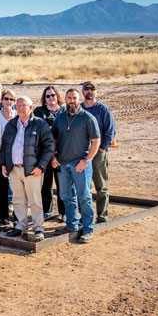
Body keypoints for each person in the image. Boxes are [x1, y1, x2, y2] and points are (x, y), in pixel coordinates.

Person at [1, 96, 54, 242]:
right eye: (18, 106)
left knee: (35, 200)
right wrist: (4, 164)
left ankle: (38, 228)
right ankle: (20, 225)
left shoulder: (39, 124)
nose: (20, 108)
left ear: (31, 107)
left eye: (24, 105)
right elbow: (5, 146)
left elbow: (49, 146)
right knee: (18, 199)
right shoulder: (11, 124)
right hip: (14, 169)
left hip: (32, 170)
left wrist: (41, 167)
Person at [51, 89, 101, 244]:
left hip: (81, 165)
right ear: (65, 99)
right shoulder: (60, 118)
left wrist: (87, 160)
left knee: (84, 197)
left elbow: (96, 141)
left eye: (74, 98)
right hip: (63, 164)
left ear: (79, 99)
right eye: (69, 98)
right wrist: (53, 157)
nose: (72, 101)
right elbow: (53, 140)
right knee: (66, 196)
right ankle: (71, 225)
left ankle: (87, 229)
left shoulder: (87, 118)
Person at [81, 80, 116, 223]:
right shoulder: (78, 108)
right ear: (82, 91)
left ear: (96, 91)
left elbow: (111, 131)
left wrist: (101, 148)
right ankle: (86, 217)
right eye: (86, 89)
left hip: (98, 153)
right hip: (82, 153)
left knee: (101, 186)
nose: (89, 91)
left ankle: (102, 216)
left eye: (92, 89)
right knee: (84, 187)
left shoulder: (103, 109)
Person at [33, 85, 66, 219]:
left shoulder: (65, 111)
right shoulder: (39, 111)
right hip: (44, 152)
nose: (51, 98)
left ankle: (64, 212)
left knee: (62, 183)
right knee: (46, 183)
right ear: (44, 99)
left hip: (62, 153)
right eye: (48, 96)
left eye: (53, 95)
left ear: (57, 96)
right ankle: (46, 210)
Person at [0, 89, 17, 226]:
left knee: (16, 185)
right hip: (1, 153)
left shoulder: (17, 116)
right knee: (2, 185)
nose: (8, 102)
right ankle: (3, 214)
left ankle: (16, 213)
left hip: (16, 154)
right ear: (2, 100)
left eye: (11, 99)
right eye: (6, 99)